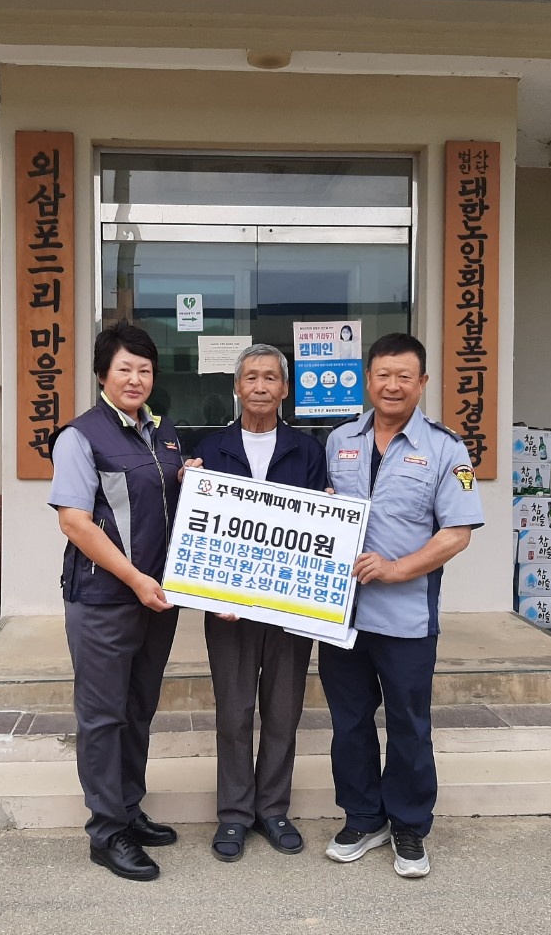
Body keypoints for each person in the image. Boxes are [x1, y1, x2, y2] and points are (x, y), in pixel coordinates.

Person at [320, 332, 484, 879]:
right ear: (367, 380)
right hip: (341, 614)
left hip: (407, 617)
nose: (392, 386)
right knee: (349, 723)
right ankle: (363, 818)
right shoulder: (339, 440)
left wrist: (396, 569)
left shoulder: (446, 448)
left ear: (422, 383)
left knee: (409, 724)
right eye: (383, 375)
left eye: (404, 377)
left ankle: (409, 824)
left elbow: (456, 533)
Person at [48, 321, 184, 882]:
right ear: (103, 373)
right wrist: (134, 579)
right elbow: (75, 523)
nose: (135, 379)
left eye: (144, 370)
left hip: (156, 599)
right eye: (124, 368)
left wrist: (192, 480)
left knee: (138, 707)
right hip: (106, 598)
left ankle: (128, 808)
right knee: (103, 716)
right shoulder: (80, 437)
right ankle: (107, 833)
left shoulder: (164, 433)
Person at [186, 344, 328, 863]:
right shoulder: (210, 448)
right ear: (237, 387)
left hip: (290, 607)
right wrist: (211, 591)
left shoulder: (308, 451)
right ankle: (234, 813)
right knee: (234, 710)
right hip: (229, 609)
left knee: (283, 710)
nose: (261, 386)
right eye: (251, 377)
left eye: (271, 377)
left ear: (285, 389)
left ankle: (273, 809)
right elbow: (196, 530)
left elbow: (321, 526)